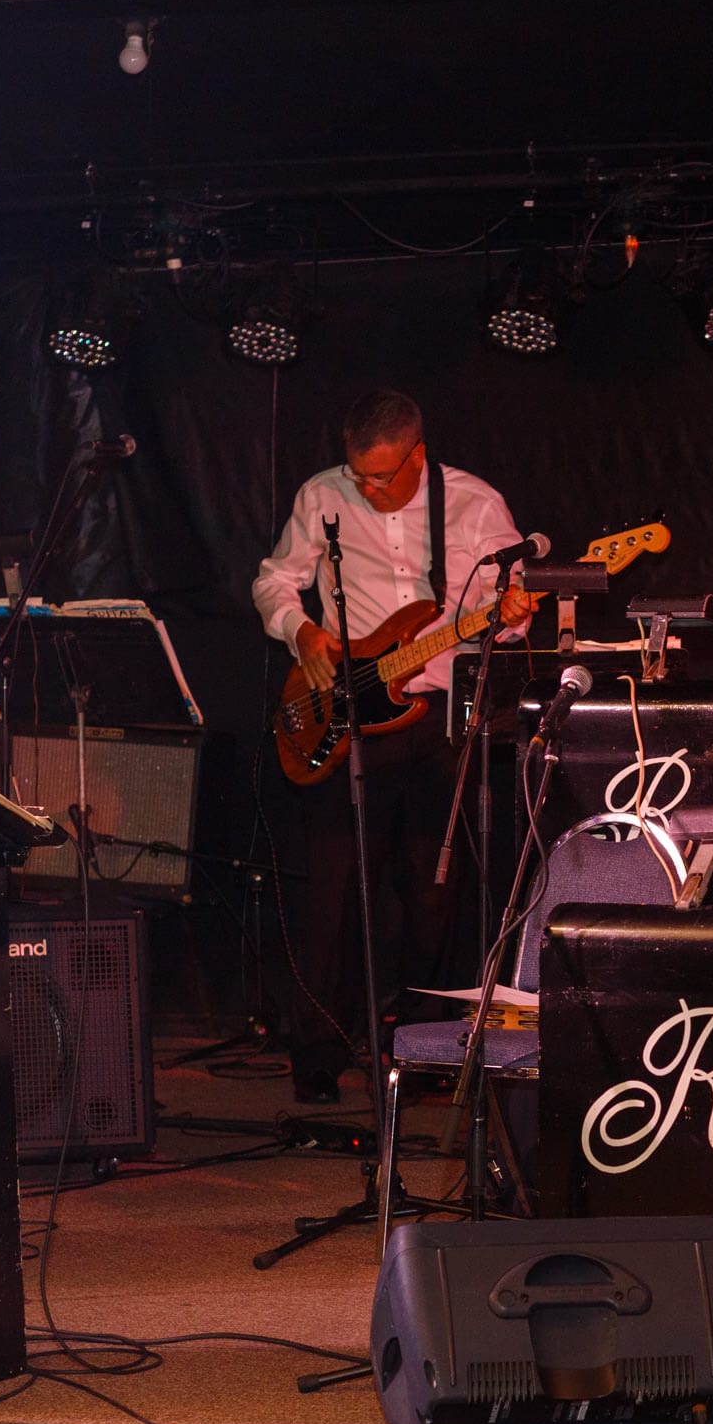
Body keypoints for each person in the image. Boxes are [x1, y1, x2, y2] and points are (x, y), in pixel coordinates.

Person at [252, 389, 532, 1103]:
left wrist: (509, 616)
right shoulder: (322, 495)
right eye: (359, 475)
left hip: (439, 721)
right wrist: (302, 631)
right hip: (349, 714)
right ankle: (319, 1053)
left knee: (433, 892)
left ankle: (424, 1048)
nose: (368, 490)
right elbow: (274, 580)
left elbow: (510, 618)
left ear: (418, 455)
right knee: (332, 892)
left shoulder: (475, 506)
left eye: (382, 477)